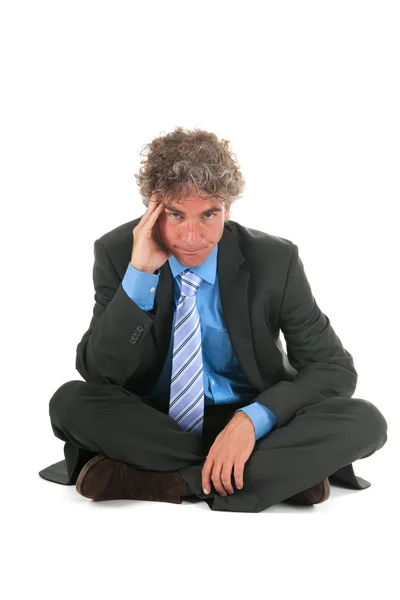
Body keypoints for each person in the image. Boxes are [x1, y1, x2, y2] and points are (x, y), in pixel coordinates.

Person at [39, 126, 388, 513]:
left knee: (365, 420)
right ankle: (273, 476)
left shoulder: (275, 261)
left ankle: (169, 481)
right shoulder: (120, 253)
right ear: (152, 208)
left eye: (209, 214)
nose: (192, 235)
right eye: (175, 214)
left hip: (253, 418)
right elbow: (100, 373)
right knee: (71, 402)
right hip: (156, 422)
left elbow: (332, 369)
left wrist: (251, 422)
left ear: (228, 209)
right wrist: (139, 276)